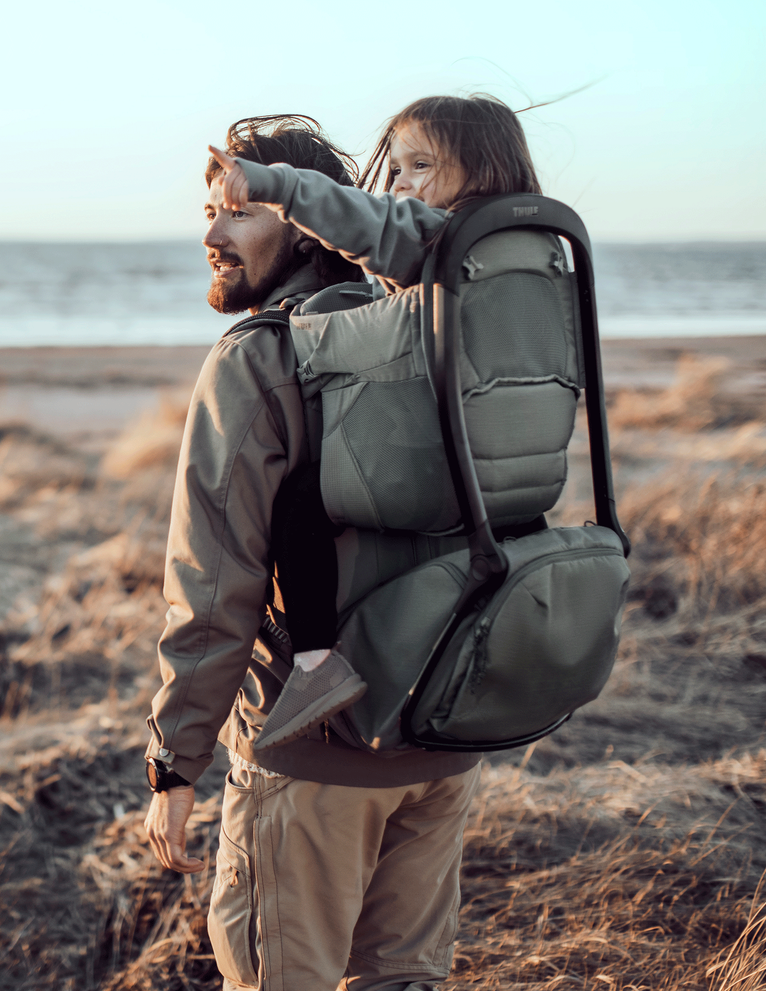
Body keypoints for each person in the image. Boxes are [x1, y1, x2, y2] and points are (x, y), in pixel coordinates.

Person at [144, 108, 488, 991]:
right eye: (207, 211)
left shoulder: (256, 359)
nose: (213, 234)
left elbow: (211, 587)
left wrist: (174, 760)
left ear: (309, 221)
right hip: (439, 743)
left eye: (240, 210)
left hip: (311, 752)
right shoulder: (432, 332)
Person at [210, 95, 544, 753]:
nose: (395, 184)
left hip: (432, 479)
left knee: (300, 499)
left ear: (481, 173)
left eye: (417, 166)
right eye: (392, 168)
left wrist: (273, 186)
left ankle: (314, 664)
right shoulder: (541, 253)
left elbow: (357, 219)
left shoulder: (439, 240)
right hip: (516, 481)